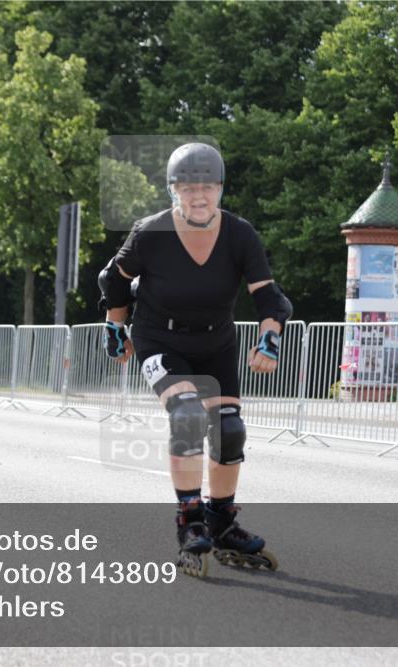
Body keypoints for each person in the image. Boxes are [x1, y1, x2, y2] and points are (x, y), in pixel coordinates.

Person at [98, 142, 292, 577]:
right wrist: (115, 328)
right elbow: (115, 280)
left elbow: (269, 297)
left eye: (207, 187)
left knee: (229, 431)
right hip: (159, 339)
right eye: (188, 188)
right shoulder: (150, 233)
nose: (199, 196)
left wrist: (270, 340)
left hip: (216, 343)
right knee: (187, 416)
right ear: (173, 191)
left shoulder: (240, 234)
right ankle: (190, 520)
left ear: (220, 189)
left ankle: (222, 521)